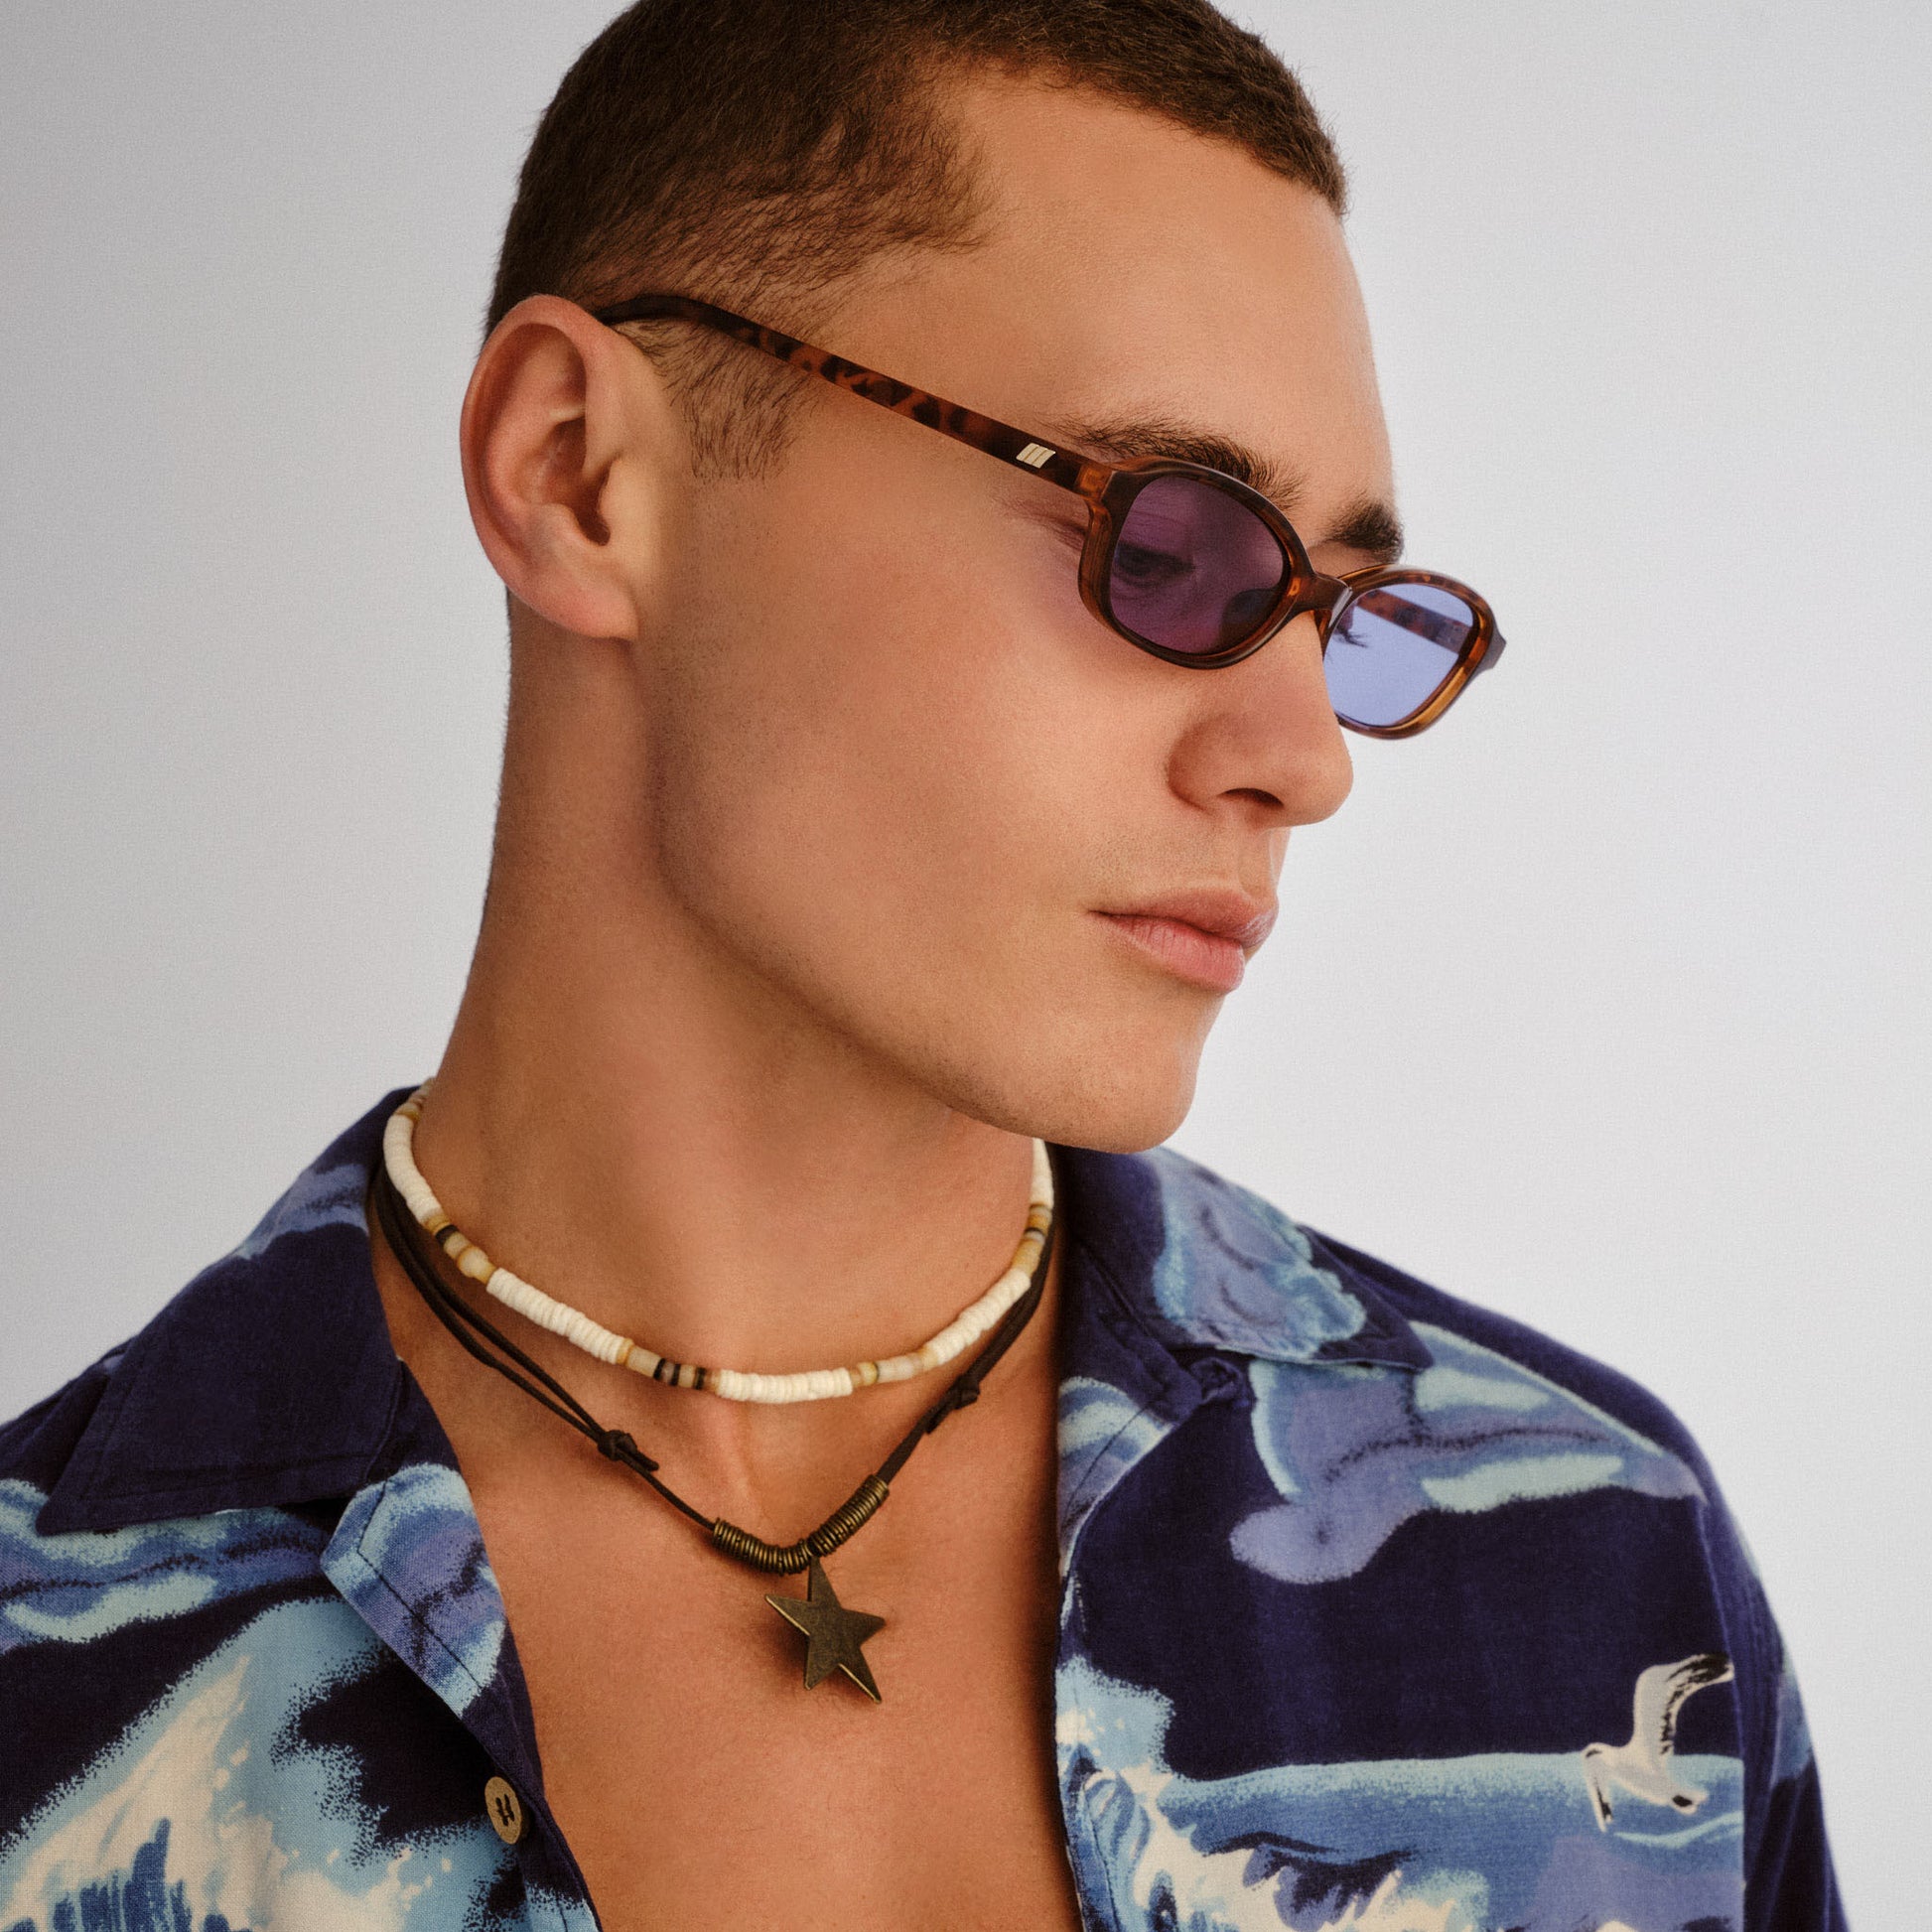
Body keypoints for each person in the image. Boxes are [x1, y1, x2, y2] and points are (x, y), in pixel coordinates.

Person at [0, 1, 1843, 1926]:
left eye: (1345, 615)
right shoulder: (49, 1687)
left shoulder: (1591, 1579)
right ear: (578, 473)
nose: (1302, 762)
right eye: (1170, 549)